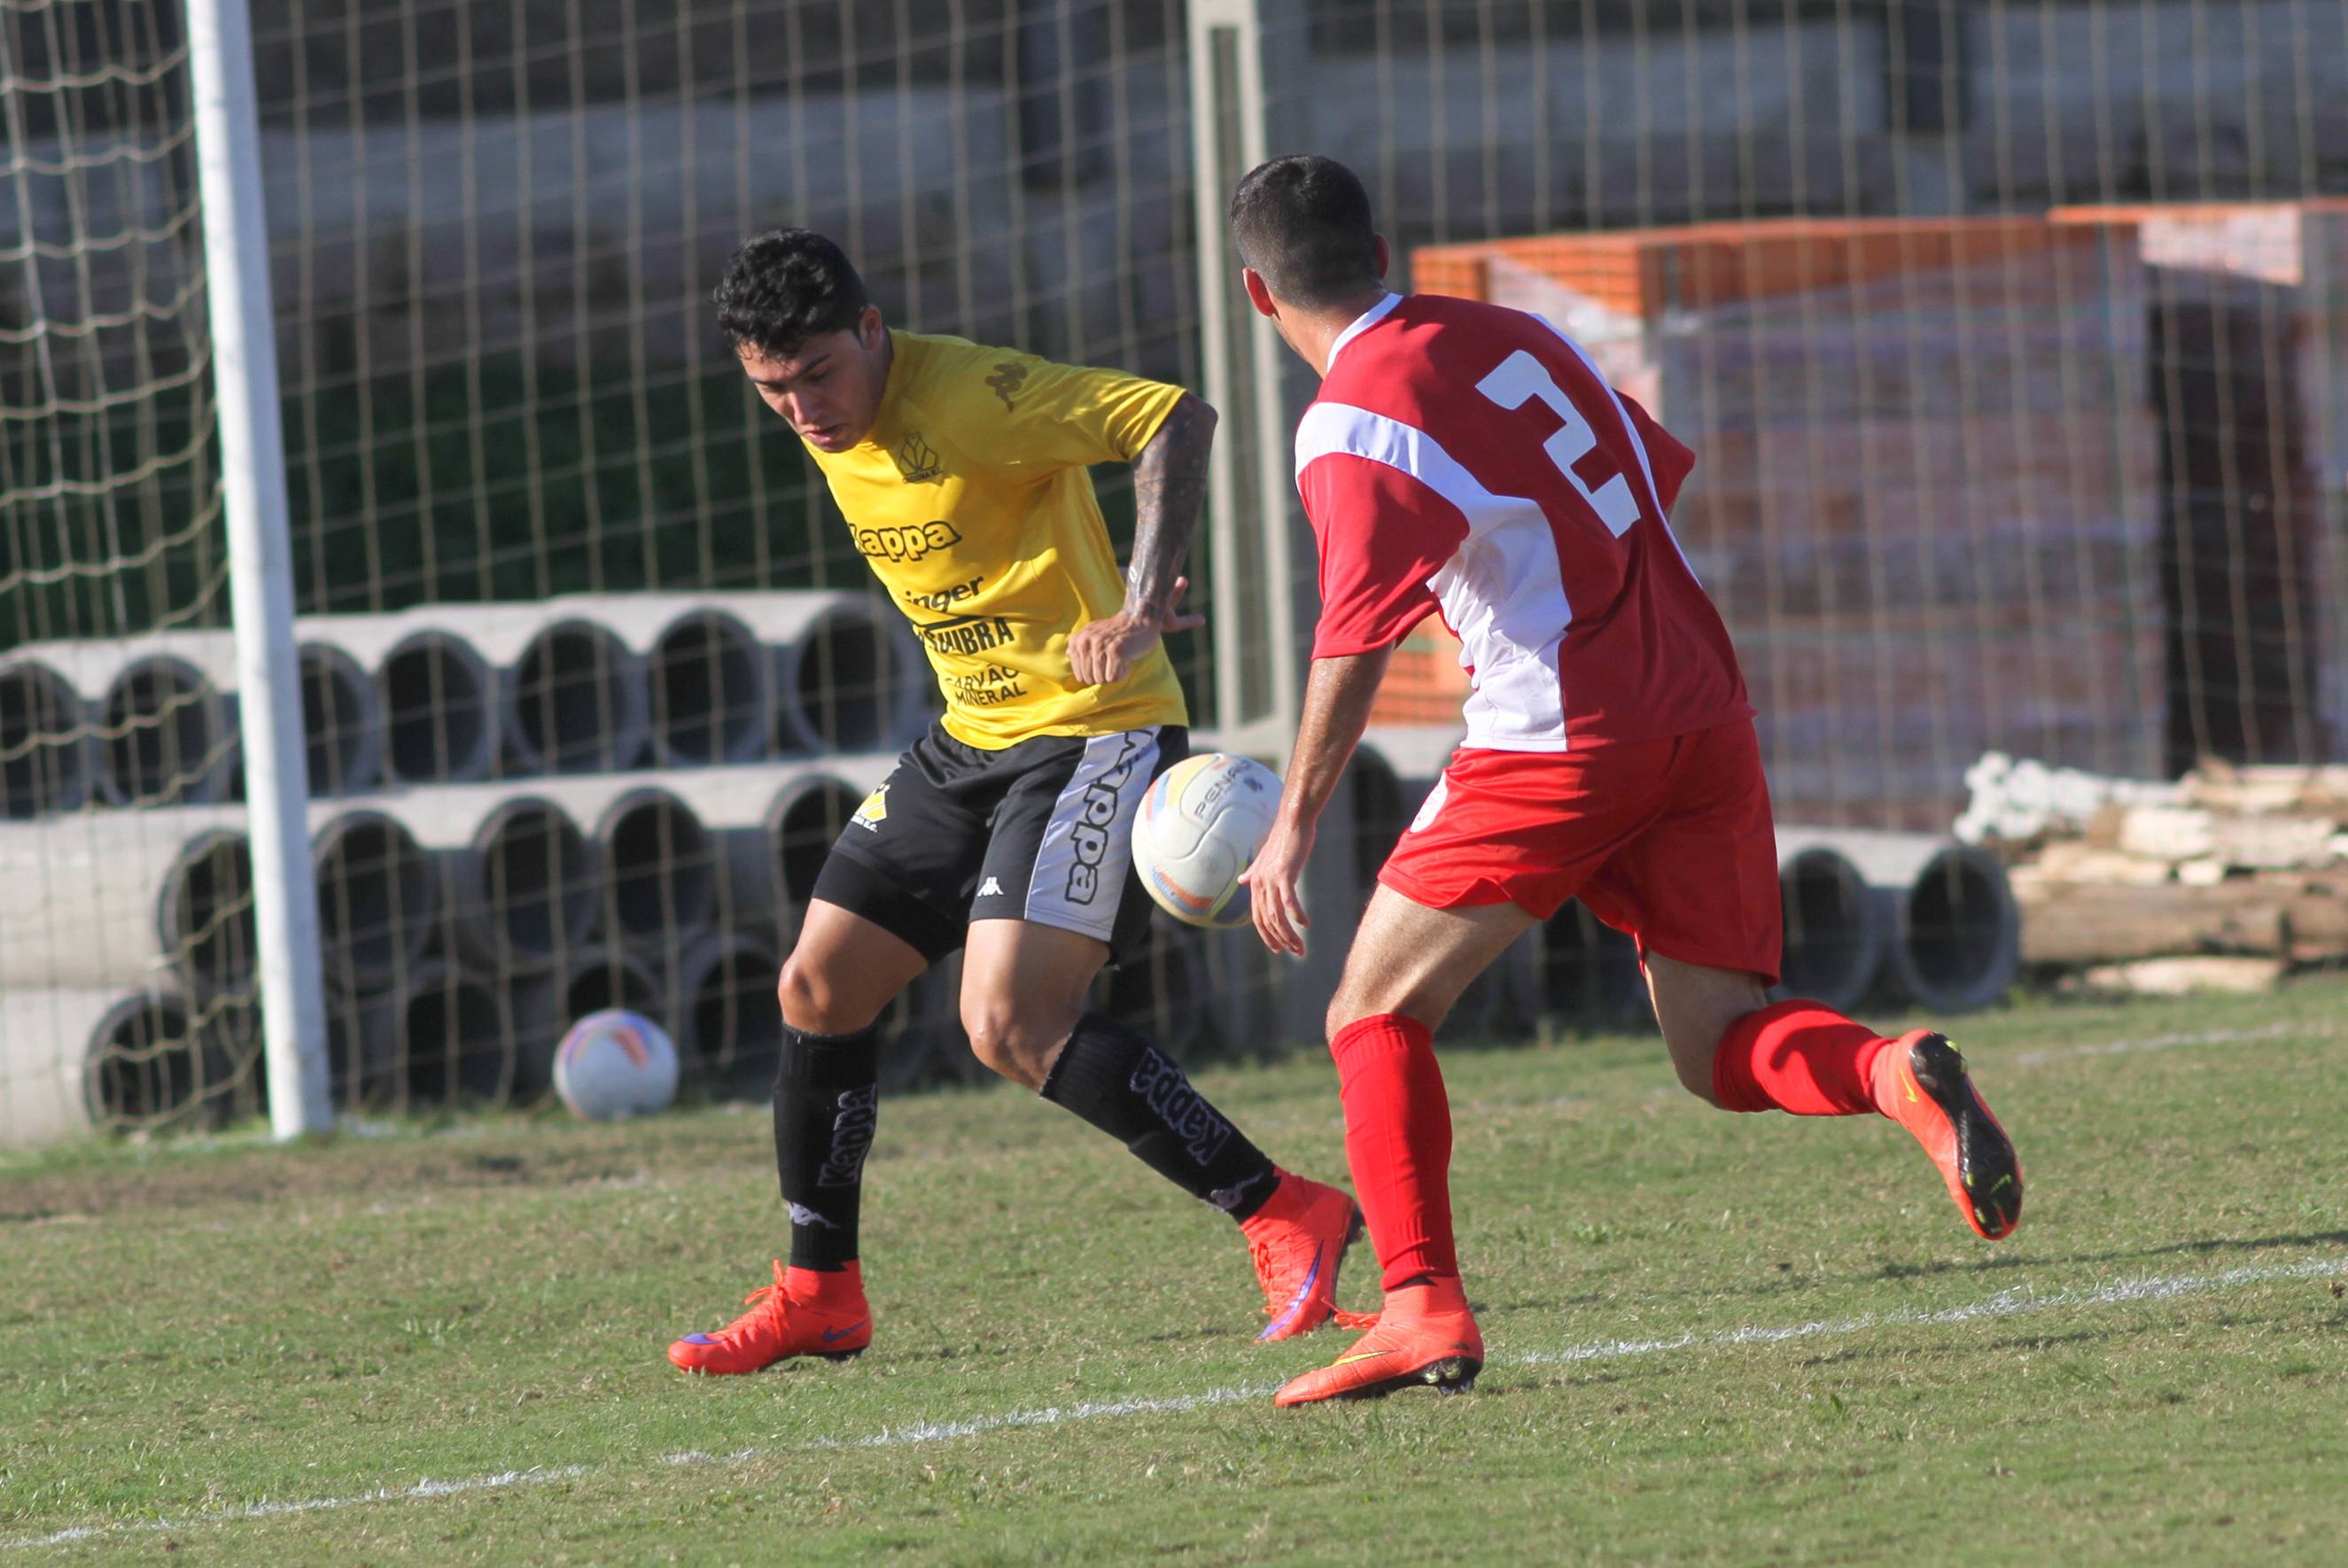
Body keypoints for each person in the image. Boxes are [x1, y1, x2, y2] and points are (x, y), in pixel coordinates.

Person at [1224, 157, 2024, 1408]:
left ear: (1257, 297)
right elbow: (1635, 478)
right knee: (1718, 1051)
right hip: (1700, 709)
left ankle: (1420, 1306)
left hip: (1559, 738)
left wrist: (1290, 827)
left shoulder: (1350, 417)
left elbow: (1352, 640)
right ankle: (1892, 1070)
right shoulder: (1516, 336)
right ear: (1382, 251)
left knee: (1370, 1014)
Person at [668, 229, 1365, 1376]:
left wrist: (1139, 596)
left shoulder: (977, 394)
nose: (801, 410)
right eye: (772, 389)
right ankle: (818, 1293)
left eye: (818, 376)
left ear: (873, 330)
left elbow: (1172, 417)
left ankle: (1285, 1208)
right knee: (818, 986)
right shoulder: (828, 415)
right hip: (970, 738)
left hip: (1093, 729)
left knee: (1008, 1024)